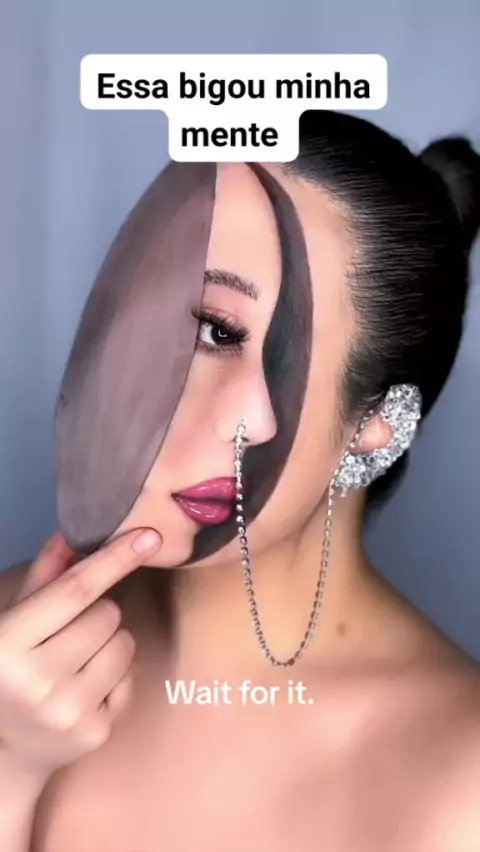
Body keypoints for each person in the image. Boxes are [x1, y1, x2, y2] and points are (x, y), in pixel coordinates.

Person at [1, 110, 480, 851]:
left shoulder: (459, 777)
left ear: (375, 424)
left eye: (218, 331)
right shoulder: (14, 642)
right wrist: (11, 763)